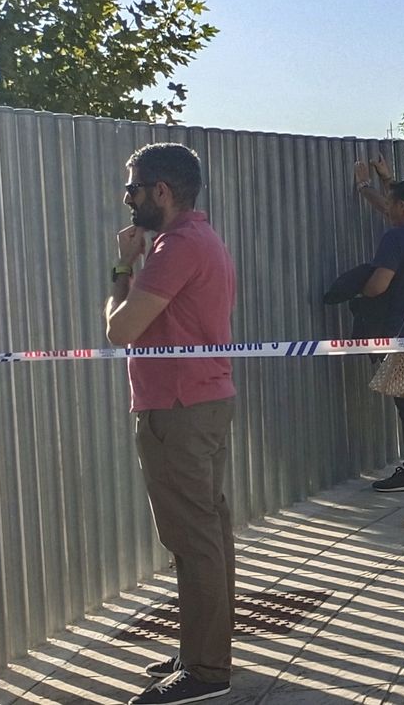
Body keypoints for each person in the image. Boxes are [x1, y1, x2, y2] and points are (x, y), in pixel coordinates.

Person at [105, 143, 238, 704]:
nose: (127, 197)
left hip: (178, 409)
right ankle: (201, 651)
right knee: (207, 532)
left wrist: (121, 268)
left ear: (162, 191)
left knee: (193, 537)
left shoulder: (177, 246)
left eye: (133, 187)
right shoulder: (199, 238)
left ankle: (207, 671)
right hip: (199, 402)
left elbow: (120, 329)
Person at [358, 176, 404, 493]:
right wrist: (371, 186)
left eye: (390, 205)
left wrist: (356, 288)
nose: (386, 210)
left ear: (402, 206)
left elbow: (378, 285)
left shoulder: (395, 239)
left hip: (400, 331)